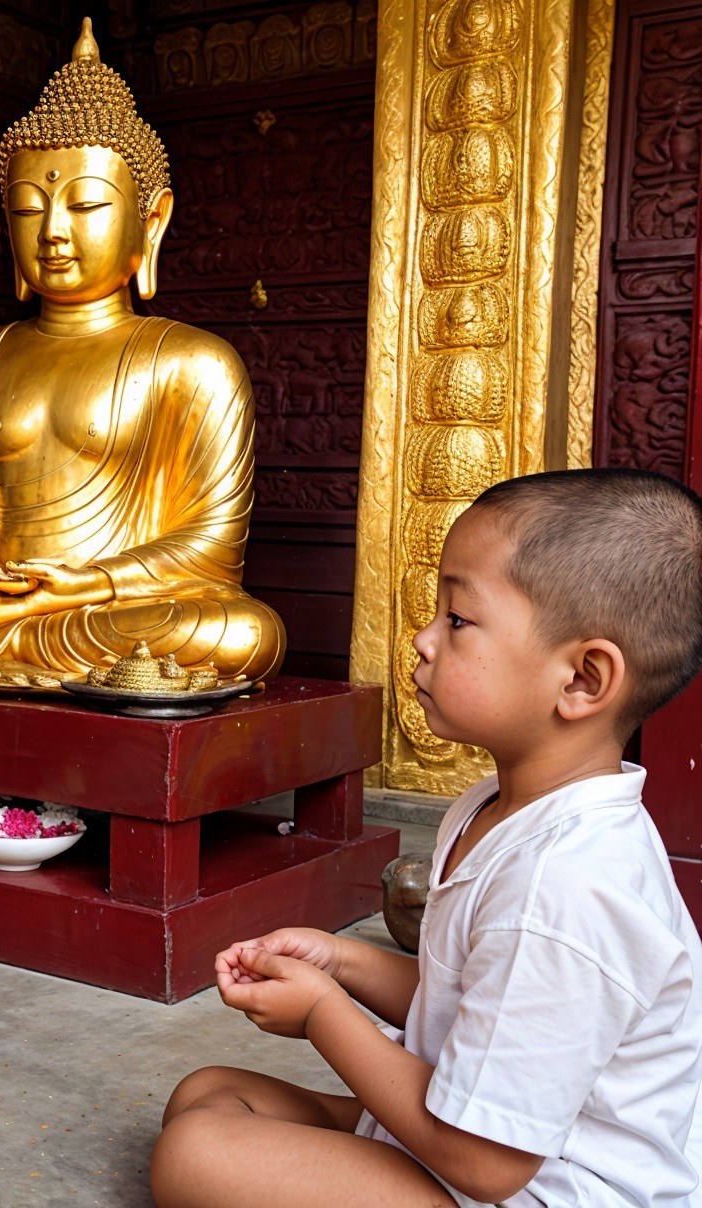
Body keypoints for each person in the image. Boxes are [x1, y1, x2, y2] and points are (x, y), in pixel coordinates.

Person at [152, 468, 702, 1207]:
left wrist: (323, 1013)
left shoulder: (570, 888)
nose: (423, 638)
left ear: (582, 679)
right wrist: (341, 962)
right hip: (469, 1141)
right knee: (211, 1092)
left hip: (542, 1184)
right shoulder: (492, 807)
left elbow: (486, 1163)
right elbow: (470, 1004)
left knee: (200, 1153)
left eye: (459, 620)